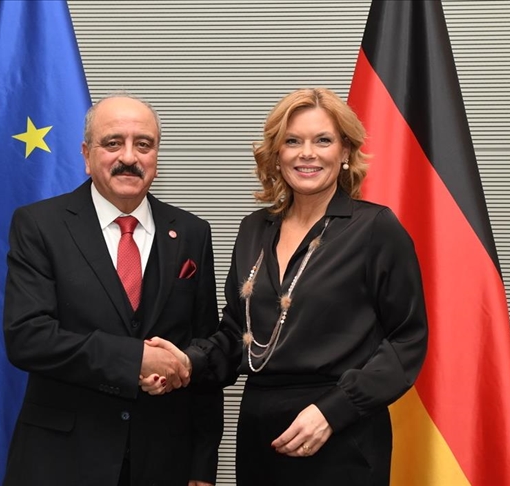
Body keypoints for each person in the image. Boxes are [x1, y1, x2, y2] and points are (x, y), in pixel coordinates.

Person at [143, 87, 428, 485]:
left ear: (345, 152)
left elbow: (407, 340)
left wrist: (334, 411)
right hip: (260, 435)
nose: (307, 153)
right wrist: (187, 363)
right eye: (293, 141)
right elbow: (237, 334)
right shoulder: (253, 229)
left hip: (341, 435)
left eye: (322, 140)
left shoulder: (375, 229)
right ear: (277, 155)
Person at [2, 93, 223, 486]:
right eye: (113, 143)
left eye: (144, 144)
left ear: (156, 157)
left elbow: (206, 345)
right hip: (61, 462)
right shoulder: (40, 225)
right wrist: (136, 360)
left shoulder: (192, 233)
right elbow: (27, 338)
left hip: (164, 463)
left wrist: (202, 466)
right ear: (86, 155)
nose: (129, 157)